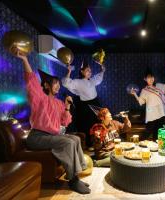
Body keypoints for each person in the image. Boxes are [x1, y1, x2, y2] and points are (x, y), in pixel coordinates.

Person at [14, 50, 90, 194]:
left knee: (75, 138)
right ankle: (73, 180)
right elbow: (31, 82)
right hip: (37, 137)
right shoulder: (39, 98)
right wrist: (25, 60)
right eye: (54, 83)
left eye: (58, 84)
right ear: (46, 85)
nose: (58, 86)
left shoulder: (58, 103)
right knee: (68, 142)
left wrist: (67, 107)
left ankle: (77, 175)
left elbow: (65, 122)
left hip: (51, 136)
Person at [62, 61, 105, 148]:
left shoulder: (92, 80)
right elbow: (66, 83)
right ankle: (88, 145)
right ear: (82, 71)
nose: (90, 72)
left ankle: (98, 143)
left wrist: (102, 69)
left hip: (96, 104)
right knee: (87, 125)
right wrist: (69, 71)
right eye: (87, 70)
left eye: (90, 71)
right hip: (85, 107)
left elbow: (99, 77)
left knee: (98, 124)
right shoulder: (78, 82)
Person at [131, 68, 165, 140]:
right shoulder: (144, 90)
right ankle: (139, 145)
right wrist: (135, 94)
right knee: (147, 131)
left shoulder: (158, 86)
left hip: (161, 113)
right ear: (145, 79)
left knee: (158, 134)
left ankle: (156, 149)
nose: (151, 79)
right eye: (148, 77)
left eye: (152, 77)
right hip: (151, 113)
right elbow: (141, 101)